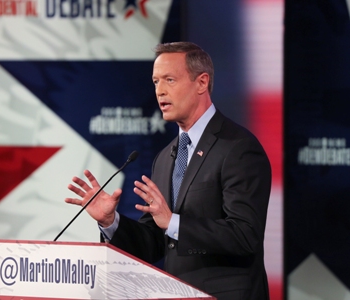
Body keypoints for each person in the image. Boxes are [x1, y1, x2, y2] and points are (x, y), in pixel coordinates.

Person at [65, 41, 271, 300]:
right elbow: (153, 243)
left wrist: (173, 222)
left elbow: (245, 235)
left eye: (170, 80)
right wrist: (110, 222)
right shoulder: (165, 157)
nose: (160, 91)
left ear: (201, 83)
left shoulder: (238, 148)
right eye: (155, 82)